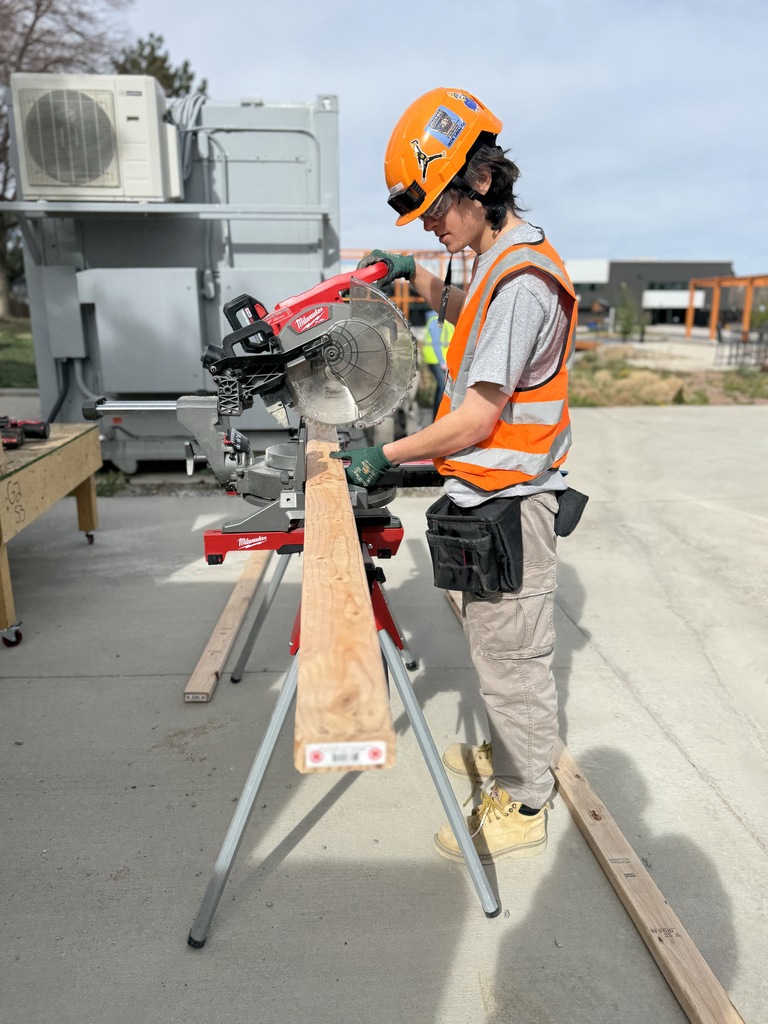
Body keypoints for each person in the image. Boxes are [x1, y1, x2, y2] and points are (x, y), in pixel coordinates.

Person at [331, 88, 579, 864]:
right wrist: (412, 271)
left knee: (512, 661)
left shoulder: (525, 282)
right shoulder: (494, 255)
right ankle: (512, 753)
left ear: (478, 183)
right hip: (482, 496)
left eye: (435, 212)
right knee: (490, 648)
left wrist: (383, 456)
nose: (432, 227)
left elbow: (475, 419)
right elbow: (460, 304)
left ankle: (527, 798)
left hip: (513, 502)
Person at [422, 309, 454, 421]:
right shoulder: (438, 321)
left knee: (441, 387)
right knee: (443, 387)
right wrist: (441, 361)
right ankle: (438, 417)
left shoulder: (442, 320)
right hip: (436, 359)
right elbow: (436, 342)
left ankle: (437, 416)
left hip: (439, 359)